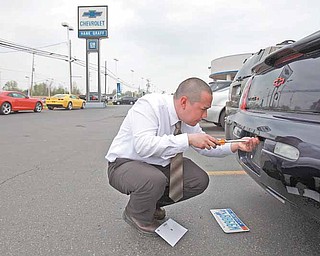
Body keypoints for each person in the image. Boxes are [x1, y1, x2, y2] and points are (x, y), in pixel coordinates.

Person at [106, 77, 259, 236]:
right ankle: (136, 214)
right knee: (154, 179)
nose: (205, 114)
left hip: (157, 167)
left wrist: (236, 145)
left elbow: (207, 146)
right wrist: (188, 139)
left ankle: (149, 205)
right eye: (203, 109)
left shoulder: (186, 120)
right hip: (124, 165)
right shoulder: (149, 106)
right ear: (184, 102)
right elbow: (143, 145)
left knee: (198, 179)